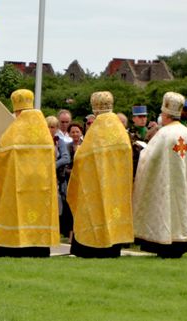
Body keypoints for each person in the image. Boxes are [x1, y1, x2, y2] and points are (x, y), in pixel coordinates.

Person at [0, 89, 59, 257]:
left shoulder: (11, 137)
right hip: (41, 193)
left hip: (13, 195)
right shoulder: (46, 137)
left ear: (16, 111)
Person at [133, 92, 187, 258]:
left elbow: (149, 158)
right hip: (183, 183)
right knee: (183, 208)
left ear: (166, 114)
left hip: (166, 183)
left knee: (167, 209)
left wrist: (141, 153)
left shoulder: (164, 134)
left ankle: (166, 242)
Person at [66, 91, 134, 258]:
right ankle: (113, 247)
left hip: (96, 185)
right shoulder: (120, 131)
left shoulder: (96, 130)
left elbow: (82, 156)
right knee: (113, 212)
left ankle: (92, 248)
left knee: (95, 213)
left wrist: (78, 152)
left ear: (95, 109)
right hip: (116, 186)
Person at [46, 115, 71, 236]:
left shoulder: (58, 141)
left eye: (53, 127)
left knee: (57, 203)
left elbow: (66, 157)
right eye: (49, 127)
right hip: (42, 176)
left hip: (55, 177)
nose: (51, 129)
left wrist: (53, 165)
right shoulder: (40, 140)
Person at [60, 122, 84, 238]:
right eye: (72, 132)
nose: (75, 134)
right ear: (69, 134)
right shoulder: (67, 146)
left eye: (77, 132)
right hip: (69, 181)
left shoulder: (85, 146)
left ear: (81, 132)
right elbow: (65, 166)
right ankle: (70, 233)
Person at [129, 105, 149, 177]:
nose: (143, 119)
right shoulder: (129, 134)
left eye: (144, 116)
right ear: (133, 118)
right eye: (140, 117)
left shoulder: (151, 133)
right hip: (135, 172)